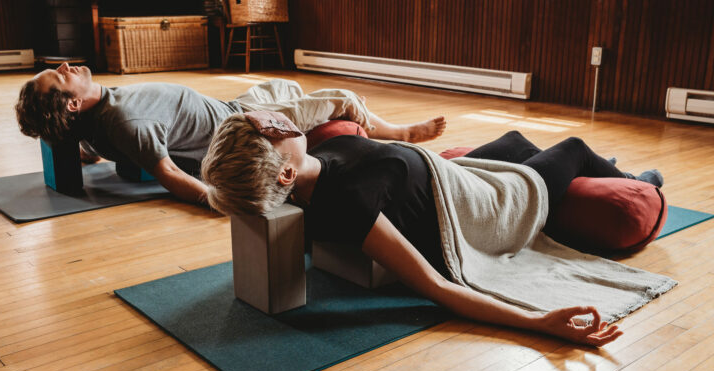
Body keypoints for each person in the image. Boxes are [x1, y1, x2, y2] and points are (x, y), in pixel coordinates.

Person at [201, 112, 671, 347]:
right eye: (272, 129)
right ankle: (640, 182)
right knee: (572, 146)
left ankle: (598, 173)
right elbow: (435, 286)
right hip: (491, 208)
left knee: (512, 141)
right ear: (284, 174)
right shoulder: (347, 203)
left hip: (459, 174)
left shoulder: (315, 169)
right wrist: (539, 324)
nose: (280, 119)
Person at [14, 63, 446, 205]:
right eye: (60, 76)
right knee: (341, 96)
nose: (67, 67)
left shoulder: (93, 123)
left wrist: (87, 155)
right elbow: (166, 173)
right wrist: (216, 200)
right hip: (247, 123)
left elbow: (87, 144)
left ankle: (315, 116)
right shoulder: (127, 122)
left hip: (233, 105)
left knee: (290, 86)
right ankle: (400, 132)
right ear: (72, 103)